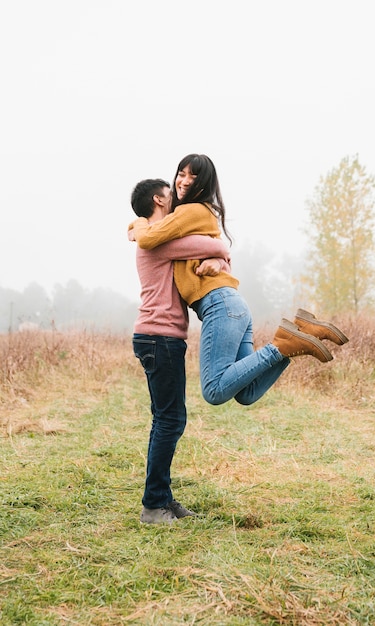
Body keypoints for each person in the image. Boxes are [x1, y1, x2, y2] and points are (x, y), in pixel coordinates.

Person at [128, 154, 349, 409]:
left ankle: (281, 345)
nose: (184, 181)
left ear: (205, 182)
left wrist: (139, 222)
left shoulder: (190, 211)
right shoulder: (190, 215)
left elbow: (151, 238)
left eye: (193, 175)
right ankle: (297, 338)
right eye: (181, 173)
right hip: (232, 305)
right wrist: (219, 261)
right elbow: (207, 250)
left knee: (214, 390)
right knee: (247, 392)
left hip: (219, 305)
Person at [129, 178, 232, 525]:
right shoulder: (160, 242)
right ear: (159, 200)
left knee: (168, 419)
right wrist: (222, 252)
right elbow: (213, 244)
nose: (177, 198)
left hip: (157, 338)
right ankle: (153, 505)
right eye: (171, 194)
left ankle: (162, 498)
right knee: (169, 420)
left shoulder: (157, 237)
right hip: (159, 338)